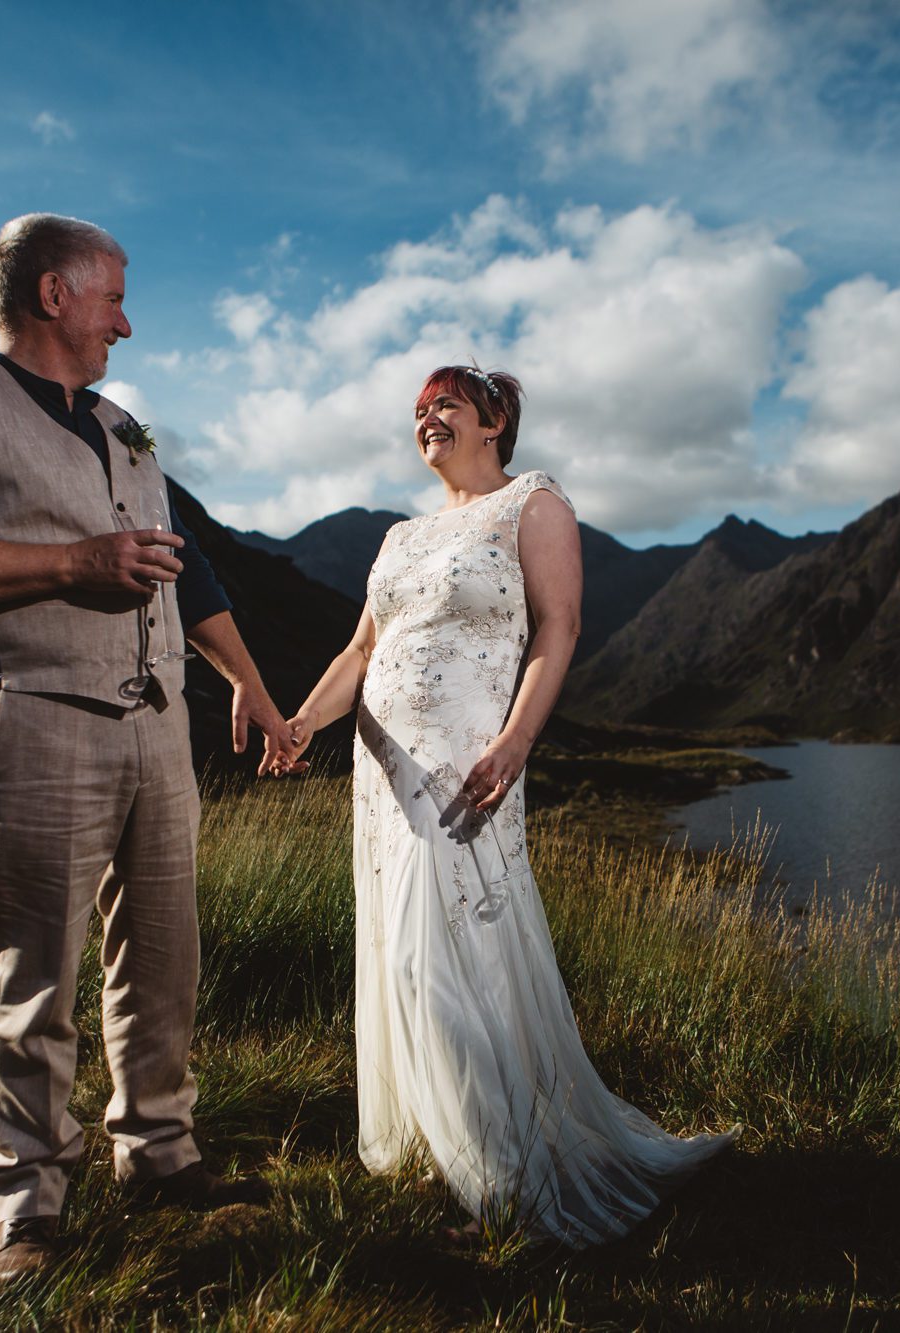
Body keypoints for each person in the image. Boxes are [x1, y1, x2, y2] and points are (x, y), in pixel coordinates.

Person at [0, 213, 296, 1286]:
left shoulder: (128, 428)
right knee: (35, 974)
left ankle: (159, 1153)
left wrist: (247, 683)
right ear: (54, 295)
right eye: (112, 297)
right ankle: (27, 1206)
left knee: (162, 952)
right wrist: (72, 564)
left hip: (160, 726)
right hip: (36, 711)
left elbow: (184, 566)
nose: (127, 321)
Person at [273, 365, 735, 1246]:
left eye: (444, 403)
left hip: (467, 763)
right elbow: (361, 650)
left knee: (453, 951)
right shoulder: (399, 535)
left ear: (495, 422)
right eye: (418, 409)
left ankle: (498, 1170)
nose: (427, 417)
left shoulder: (532, 502)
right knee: (401, 951)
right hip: (385, 774)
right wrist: (300, 723)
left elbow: (558, 627)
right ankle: (435, 1142)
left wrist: (517, 740)